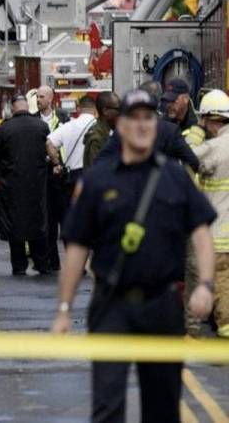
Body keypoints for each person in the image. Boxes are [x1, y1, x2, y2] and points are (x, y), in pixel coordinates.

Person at [52, 88, 216, 423]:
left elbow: (201, 233)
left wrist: (205, 285)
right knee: (108, 407)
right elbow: (77, 247)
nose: (142, 125)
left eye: (148, 118)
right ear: (121, 126)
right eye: (134, 118)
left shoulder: (173, 177)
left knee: (163, 407)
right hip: (112, 305)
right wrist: (65, 308)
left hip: (162, 306)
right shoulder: (99, 180)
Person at [0, 95, 50, 275]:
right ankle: (42, 263)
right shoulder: (41, 127)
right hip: (37, 184)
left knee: (15, 226)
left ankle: (19, 266)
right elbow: (51, 149)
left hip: (12, 185)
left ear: (13, 109)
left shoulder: (5, 128)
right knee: (38, 223)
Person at [184, 89, 229, 338]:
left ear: (211, 119)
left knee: (222, 286)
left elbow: (186, 156)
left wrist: (196, 131)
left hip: (219, 235)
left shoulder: (214, 148)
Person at [95, 83, 200, 172]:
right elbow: (193, 162)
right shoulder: (171, 131)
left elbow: (100, 162)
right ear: (157, 103)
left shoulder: (124, 130)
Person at [31, 86, 70, 273]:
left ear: (51, 99)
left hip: (61, 175)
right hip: (44, 175)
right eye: (37, 96)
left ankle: (73, 262)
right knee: (49, 222)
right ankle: (53, 262)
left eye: (41, 96)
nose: (38, 99)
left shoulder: (62, 118)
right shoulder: (33, 120)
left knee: (67, 220)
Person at [46, 95, 98, 216]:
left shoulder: (68, 126)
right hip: (94, 175)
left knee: (72, 214)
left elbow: (49, 143)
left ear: (79, 109)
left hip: (73, 176)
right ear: (95, 110)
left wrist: (56, 163)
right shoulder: (99, 126)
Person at [83, 92, 120, 169]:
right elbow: (97, 172)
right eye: (118, 109)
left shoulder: (107, 132)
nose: (120, 113)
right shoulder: (97, 138)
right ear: (105, 111)